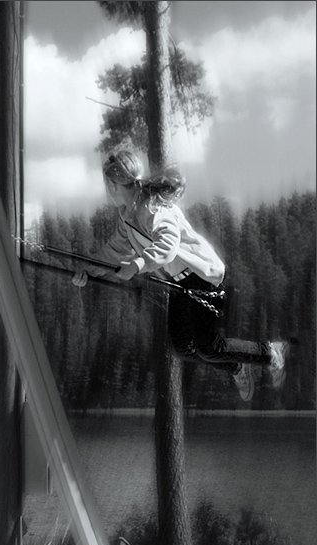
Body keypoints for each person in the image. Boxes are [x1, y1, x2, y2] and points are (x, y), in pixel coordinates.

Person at [72, 150, 287, 402]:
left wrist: (138, 264)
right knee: (183, 346)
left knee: (209, 347)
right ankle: (238, 366)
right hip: (179, 281)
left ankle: (270, 352)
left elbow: (168, 244)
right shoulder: (127, 215)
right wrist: (87, 269)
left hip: (203, 276)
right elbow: (114, 251)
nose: (106, 188)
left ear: (113, 184)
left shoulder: (152, 208)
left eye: (106, 183)